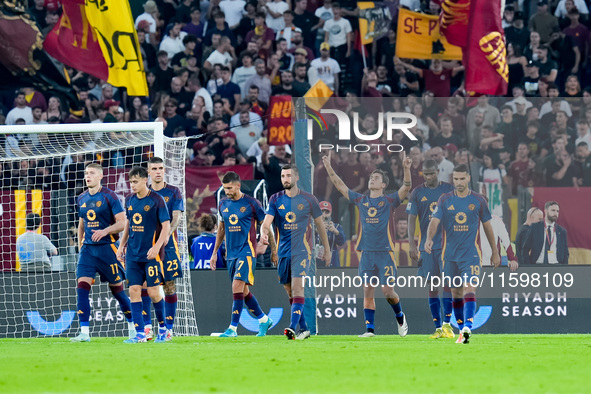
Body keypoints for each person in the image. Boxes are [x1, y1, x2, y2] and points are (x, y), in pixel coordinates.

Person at [323, 150, 412, 338]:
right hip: (366, 253)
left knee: (387, 290)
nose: (372, 179)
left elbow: (407, 186)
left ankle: (400, 315)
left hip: (385, 252)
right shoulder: (361, 200)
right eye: (371, 177)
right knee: (367, 290)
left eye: (376, 177)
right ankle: (370, 330)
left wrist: (406, 168)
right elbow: (340, 185)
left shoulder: (390, 201)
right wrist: (329, 167)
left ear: (383, 184)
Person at [425, 164, 500, 344]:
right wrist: (429, 238)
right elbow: (434, 221)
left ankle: (467, 328)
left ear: (468, 178)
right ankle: (460, 330)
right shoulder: (445, 199)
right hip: (449, 255)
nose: (458, 182)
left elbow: (488, 226)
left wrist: (495, 252)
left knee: (469, 288)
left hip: (471, 255)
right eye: (455, 179)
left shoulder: (479, 200)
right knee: (456, 293)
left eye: (461, 178)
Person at [260, 165, 331, 340]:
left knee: (298, 288)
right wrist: (263, 233)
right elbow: (266, 222)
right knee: (290, 290)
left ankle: (292, 328)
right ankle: (304, 328)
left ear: (296, 178)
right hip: (283, 252)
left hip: (302, 251)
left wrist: (327, 249)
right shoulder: (275, 199)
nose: (285, 179)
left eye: (289, 175)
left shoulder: (309, 199)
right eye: (283, 175)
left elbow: (320, 225)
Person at [70, 163, 134, 342]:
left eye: (91, 173)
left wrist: (105, 231)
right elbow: (81, 222)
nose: (87, 176)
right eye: (86, 173)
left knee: (118, 292)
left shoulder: (109, 196)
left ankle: (132, 327)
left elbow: (122, 223)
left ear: (100, 176)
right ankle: (84, 333)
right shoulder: (81, 198)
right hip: (88, 251)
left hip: (108, 249)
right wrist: (80, 243)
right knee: (82, 287)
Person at [209, 171, 276, 337]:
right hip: (230, 253)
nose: (227, 191)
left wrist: (274, 250)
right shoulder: (223, 204)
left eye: (230, 188)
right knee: (243, 292)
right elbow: (221, 229)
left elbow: (266, 225)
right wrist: (215, 252)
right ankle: (263, 320)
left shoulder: (252, 203)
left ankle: (232, 329)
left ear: (238, 185)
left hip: (246, 252)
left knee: (237, 286)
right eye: (225, 188)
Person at [117, 166, 171, 343]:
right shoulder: (129, 200)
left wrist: (157, 246)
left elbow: (166, 226)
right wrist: (121, 245)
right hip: (133, 254)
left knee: (154, 292)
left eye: (135, 181)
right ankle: (140, 333)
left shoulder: (157, 200)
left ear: (144, 180)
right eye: (131, 182)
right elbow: (128, 224)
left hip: (151, 255)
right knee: (133, 290)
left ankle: (163, 329)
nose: (132, 185)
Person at [406, 160, 455, 339]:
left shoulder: (449, 190)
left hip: (446, 245)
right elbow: (411, 219)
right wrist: (412, 243)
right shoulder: (417, 192)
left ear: (437, 171)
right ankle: (437, 328)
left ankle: (448, 325)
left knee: (448, 283)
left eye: (431, 173)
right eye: (425, 174)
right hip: (427, 247)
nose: (428, 177)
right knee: (433, 285)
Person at [138, 157, 184, 342]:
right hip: (145, 246)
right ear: (148, 172)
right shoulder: (142, 193)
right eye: (154, 168)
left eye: (161, 168)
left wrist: (165, 236)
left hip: (169, 246)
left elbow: (176, 217)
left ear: (164, 170)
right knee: (144, 285)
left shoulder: (173, 192)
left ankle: (168, 329)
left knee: (169, 285)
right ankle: (147, 328)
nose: (158, 171)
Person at [316, 201, 345, 268]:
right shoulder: (313, 227)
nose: (324, 215)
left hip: (332, 263)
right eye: (322, 212)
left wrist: (336, 232)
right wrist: (318, 230)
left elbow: (342, 242)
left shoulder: (336, 227)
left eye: (327, 212)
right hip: (316, 264)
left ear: (330, 213)